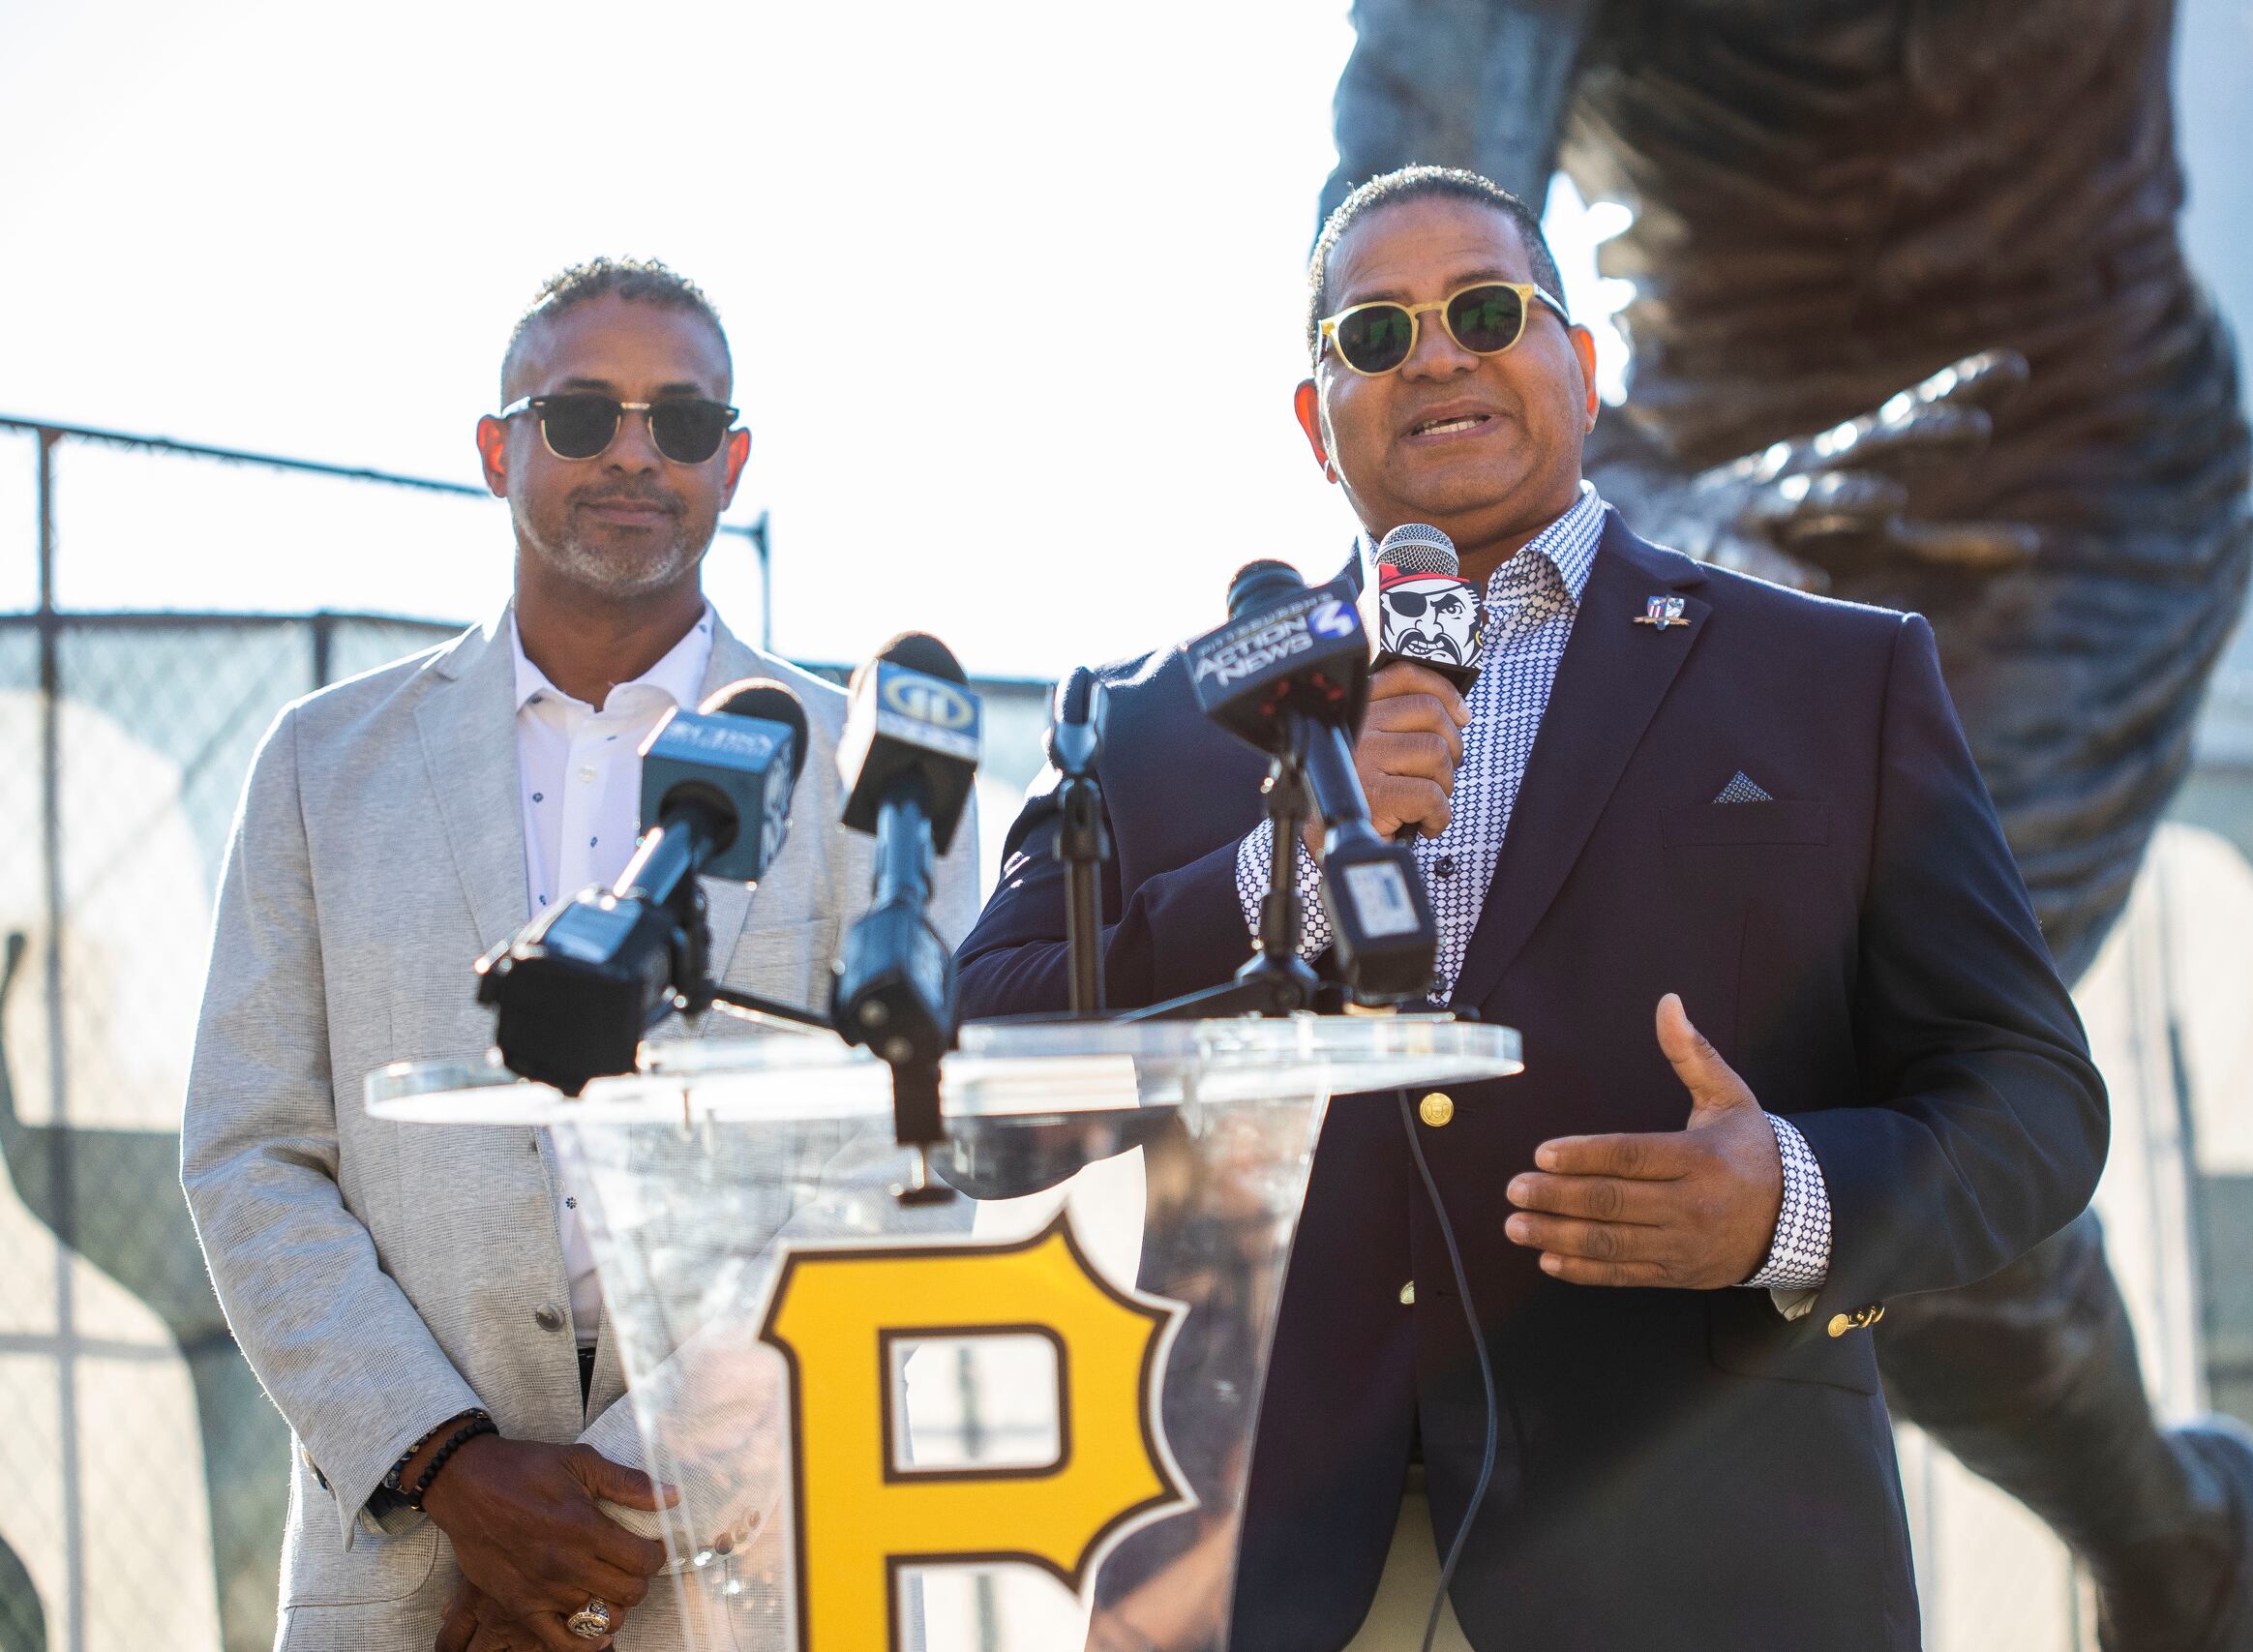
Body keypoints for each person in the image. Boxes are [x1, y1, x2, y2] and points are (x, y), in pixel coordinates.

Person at [957, 167, 2109, 1650]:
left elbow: (2031, 1102)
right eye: (1373, 334)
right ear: (1318, 422)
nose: (1435, 355)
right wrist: (1281, 873)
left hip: (1695, 1565)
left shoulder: (1837, 679)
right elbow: (978, 1082)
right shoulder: (1162, 724)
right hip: (1256, 1578)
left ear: (1583, 360)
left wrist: (1790, 1201)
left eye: (1486, 311)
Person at [180, 258, 976, 1652]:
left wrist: (599, 1530)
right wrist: (450, 1472)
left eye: (677, 423)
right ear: (499, 449)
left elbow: (902, 1173)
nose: (630, 452)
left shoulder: (873, 774)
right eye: (579, 416)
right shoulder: (323, 766)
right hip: (407, 1570)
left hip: (761, 1574)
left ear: (731, 463)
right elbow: (251, 1153)